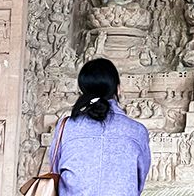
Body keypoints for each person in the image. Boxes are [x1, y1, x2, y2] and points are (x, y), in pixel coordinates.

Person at [51, 58, 151, 196]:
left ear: (83, 90)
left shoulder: (67, 127)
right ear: (118, 88)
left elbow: (55, 172)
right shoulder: (137, 131)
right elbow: (139, 182)